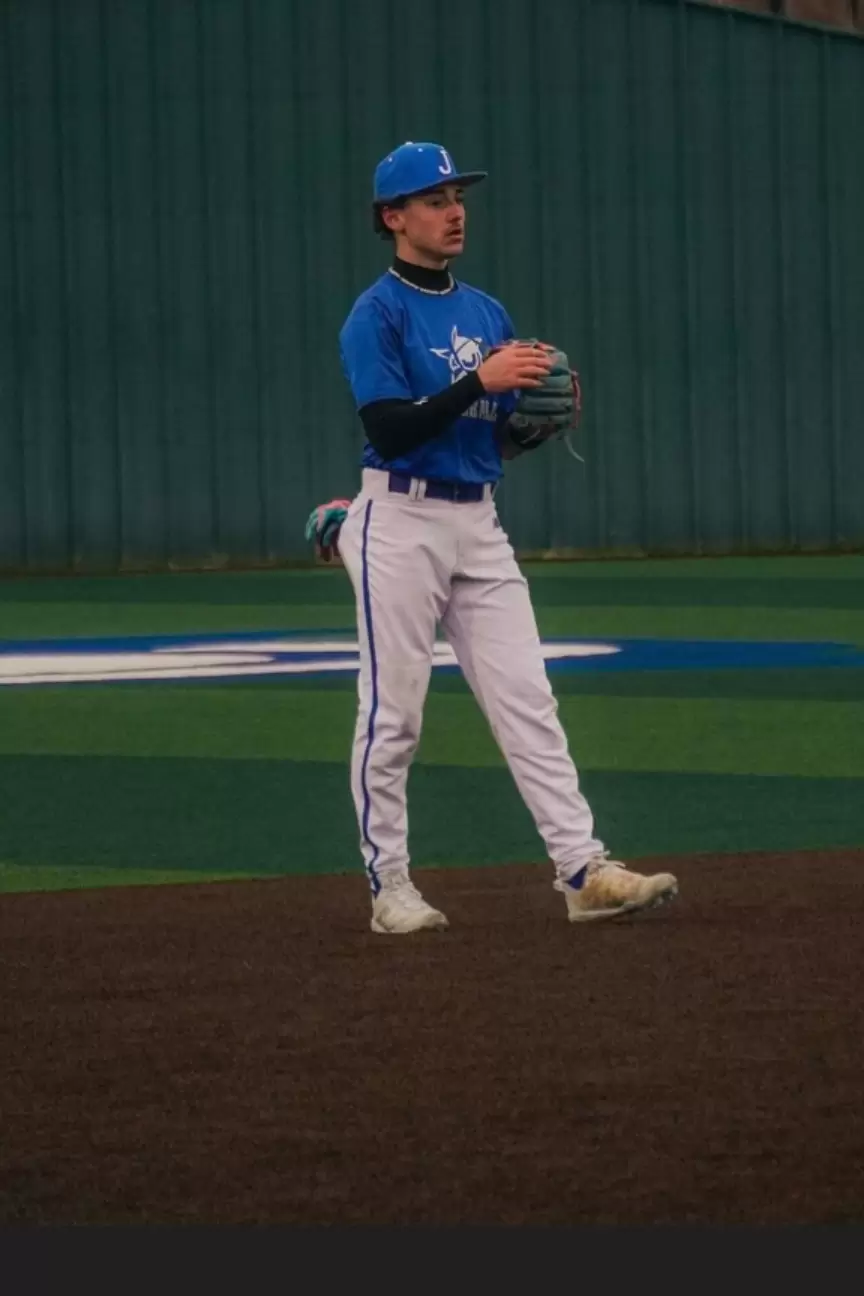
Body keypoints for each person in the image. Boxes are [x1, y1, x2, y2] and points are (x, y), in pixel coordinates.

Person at [324, 140, 678, 934]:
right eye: (434, 199)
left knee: (528, 697)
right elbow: (389, 428)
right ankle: (390, 889)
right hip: (401, 520)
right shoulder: (376, 313)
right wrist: (477, 382)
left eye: (458, 197)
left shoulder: (487, 314)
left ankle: (582, 871)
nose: (454, 212)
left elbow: (492, 438)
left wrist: (529, 430)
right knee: (393, 715)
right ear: (393, 217)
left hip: (478, 521)